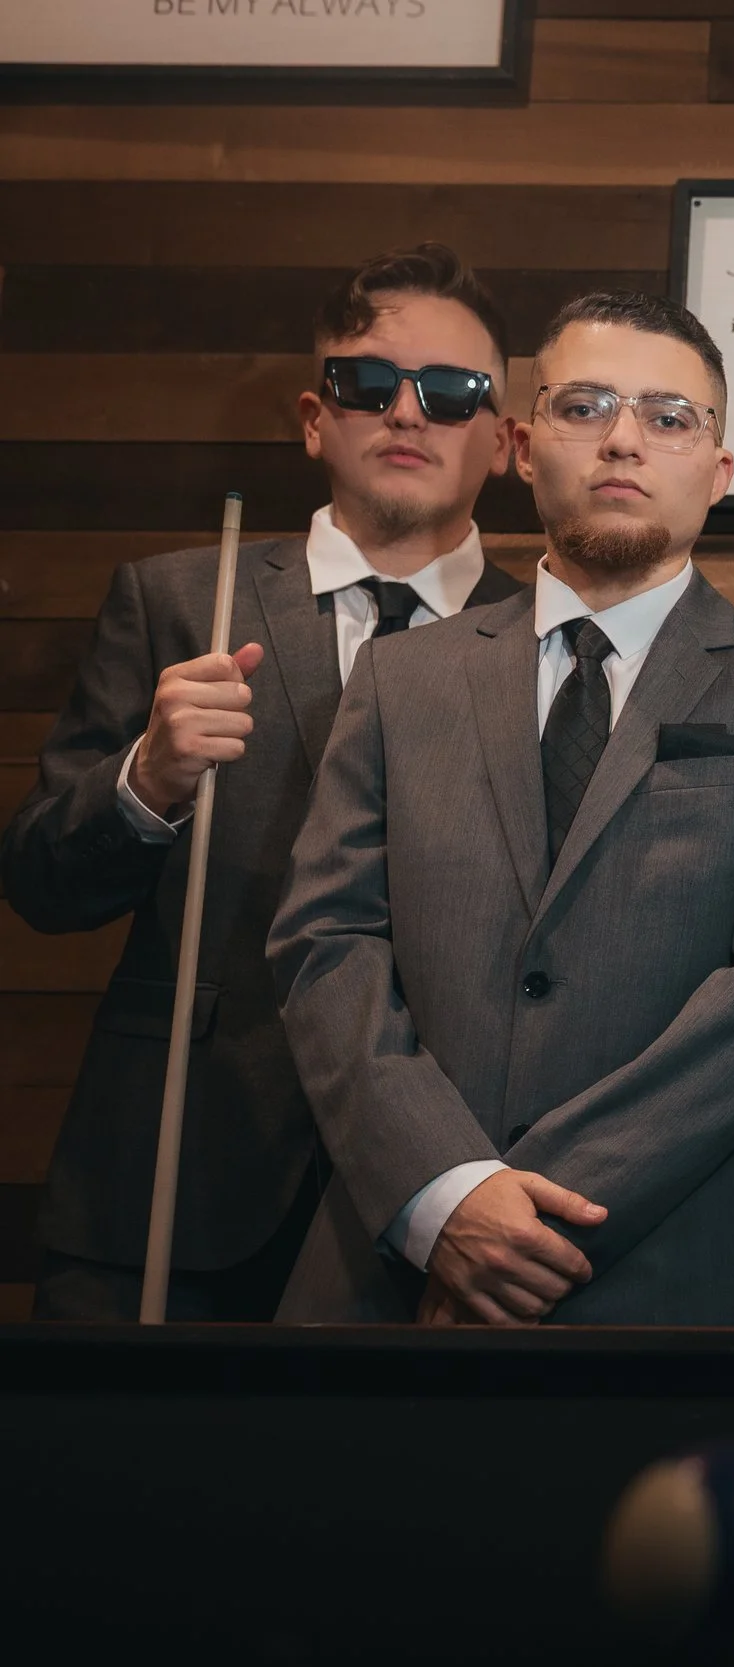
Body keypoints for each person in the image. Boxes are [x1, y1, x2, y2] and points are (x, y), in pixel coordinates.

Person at [269, 291, 734, 1325]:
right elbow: (328, 941)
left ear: (717, 472)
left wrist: (532, 1215)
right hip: (399, 1262)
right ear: (520, 442)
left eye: (669, 416)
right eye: (585, 405)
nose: (625, 439)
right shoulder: (400, 679)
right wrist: (447, 1190)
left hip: (665, 1260)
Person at [2, 245, 529, 1321]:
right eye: (368, 383)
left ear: (503, 437)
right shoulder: (180, 601)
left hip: (442, 1192)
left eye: (452, 390)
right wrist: (146, 779)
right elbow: (42, 885)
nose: (408, 412)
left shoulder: (548, 641)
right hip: (173, 1177)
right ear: (312, 417)